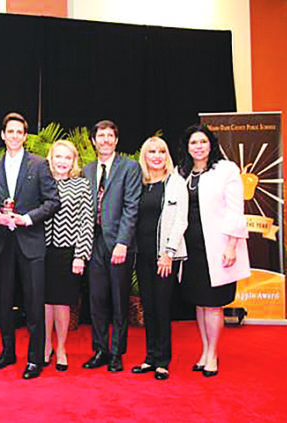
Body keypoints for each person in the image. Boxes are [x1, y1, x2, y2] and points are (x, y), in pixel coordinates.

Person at [0, 112, 60, 380]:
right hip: (2, 243)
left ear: (25, 137)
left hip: (31, 242)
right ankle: (7, 353)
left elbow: (52, 202)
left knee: (34, 302)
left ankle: (34, 359)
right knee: (4, 301)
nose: (15, 136)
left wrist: (28, 218)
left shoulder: (39, 165)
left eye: (20, 132)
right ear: (3, 135)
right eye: (10, 132)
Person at [177, 124, 250, 377]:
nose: (198, 147)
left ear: (211, 144)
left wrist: (231, 246)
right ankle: (204, 350)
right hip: (192, 250)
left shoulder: (226, 170)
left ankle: (213, 354)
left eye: (203, 142)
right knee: (200, 303)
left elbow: (235, 209)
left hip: (218, 248)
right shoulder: (182, 173)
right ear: (187, 147)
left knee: (213, 304)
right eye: (193, 142)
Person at [82, 120, 142, 373]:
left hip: (118, 244)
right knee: (96, 300)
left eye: (110, 136)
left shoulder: (129, 168)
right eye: (101, 136)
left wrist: (122, 242)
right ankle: (100, 350)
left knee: (119, 300)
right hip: (92, 242)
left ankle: (117, 353)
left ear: (116, 140)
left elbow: (131, 208)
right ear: (94, 141)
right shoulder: (86, 170)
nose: (105, 140)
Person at [131, 137, 188, 381]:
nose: (157, 156)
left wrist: (168, 253)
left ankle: (163, 361)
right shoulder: (141, 183)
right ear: (144, 156)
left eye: (161, 151)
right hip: (142, 256)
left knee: (162, 308)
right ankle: (150, 357)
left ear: (167, 156)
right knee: (149, 308)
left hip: (165, 257)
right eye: (152, 151)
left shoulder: (175, 182)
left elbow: (181, 220)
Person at [43, 140, 93, 372]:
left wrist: (80, 255)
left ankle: (61, 347)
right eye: (58, 157)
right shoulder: (41, 183)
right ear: (50, 159)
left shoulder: (82, 186)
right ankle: (45, 345)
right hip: (41, 251)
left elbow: (86, 223)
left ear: (74, 161)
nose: (62, 162)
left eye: (67, 158)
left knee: (62, 302)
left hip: (68, 252)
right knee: (43, 302)